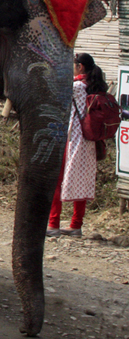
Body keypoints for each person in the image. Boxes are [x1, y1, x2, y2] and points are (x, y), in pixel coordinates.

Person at [47, 53, 107, 237]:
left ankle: (53, 223)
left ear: (80, 67)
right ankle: (76, 225)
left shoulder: (76, 87)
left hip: (74, 139)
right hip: (90, 141)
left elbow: (53, 92)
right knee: (82, 180)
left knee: (57, 179)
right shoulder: (96, 87)